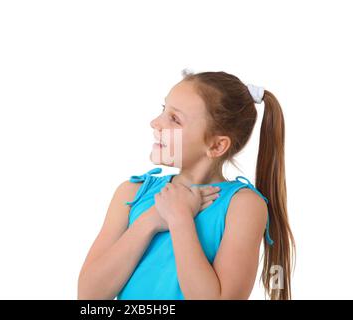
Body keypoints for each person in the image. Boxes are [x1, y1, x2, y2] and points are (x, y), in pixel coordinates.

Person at [78, 70, 295, 300]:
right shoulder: (132, 193)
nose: (155, 123)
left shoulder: (242, 206)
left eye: (175, 119)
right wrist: (150, 221)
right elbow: (88, 295)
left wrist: (180, 219)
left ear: (216, 146)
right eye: (164, 110)